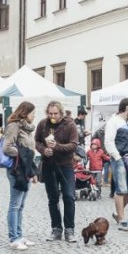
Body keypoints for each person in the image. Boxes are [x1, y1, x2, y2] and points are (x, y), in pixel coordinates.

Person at [34, 101, 79, 242]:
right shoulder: (43, 124)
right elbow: (37, 142)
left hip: (65, 165)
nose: (53, 116)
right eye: (50, 113)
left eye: (55, 113)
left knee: (69, 197)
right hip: (49, 165)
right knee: (52, 199)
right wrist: (43, 150)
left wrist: (57, 147)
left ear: (61, 113)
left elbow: (73, 145)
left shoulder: (70, 125)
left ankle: (69, 230)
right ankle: (56, 229)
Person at [3, 101, 38, 250]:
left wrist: (33, 171)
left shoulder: (28, 129)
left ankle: (19, 235)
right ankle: (13, 238)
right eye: (32, 113)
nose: (34, 115)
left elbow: (31, 150)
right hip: (17, 170)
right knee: (15, 204)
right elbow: (7, 148)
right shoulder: (14, 126)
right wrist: (21, 153)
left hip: (26, 169)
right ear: (25, 113)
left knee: (21, 205)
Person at [104, 97, 128, 231]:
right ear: (127, 108)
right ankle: (122, 220)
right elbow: (109, 141)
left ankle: (119, 213)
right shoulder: (113, 122)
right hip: (120, 158)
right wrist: (117, 157)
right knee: (121, 189)